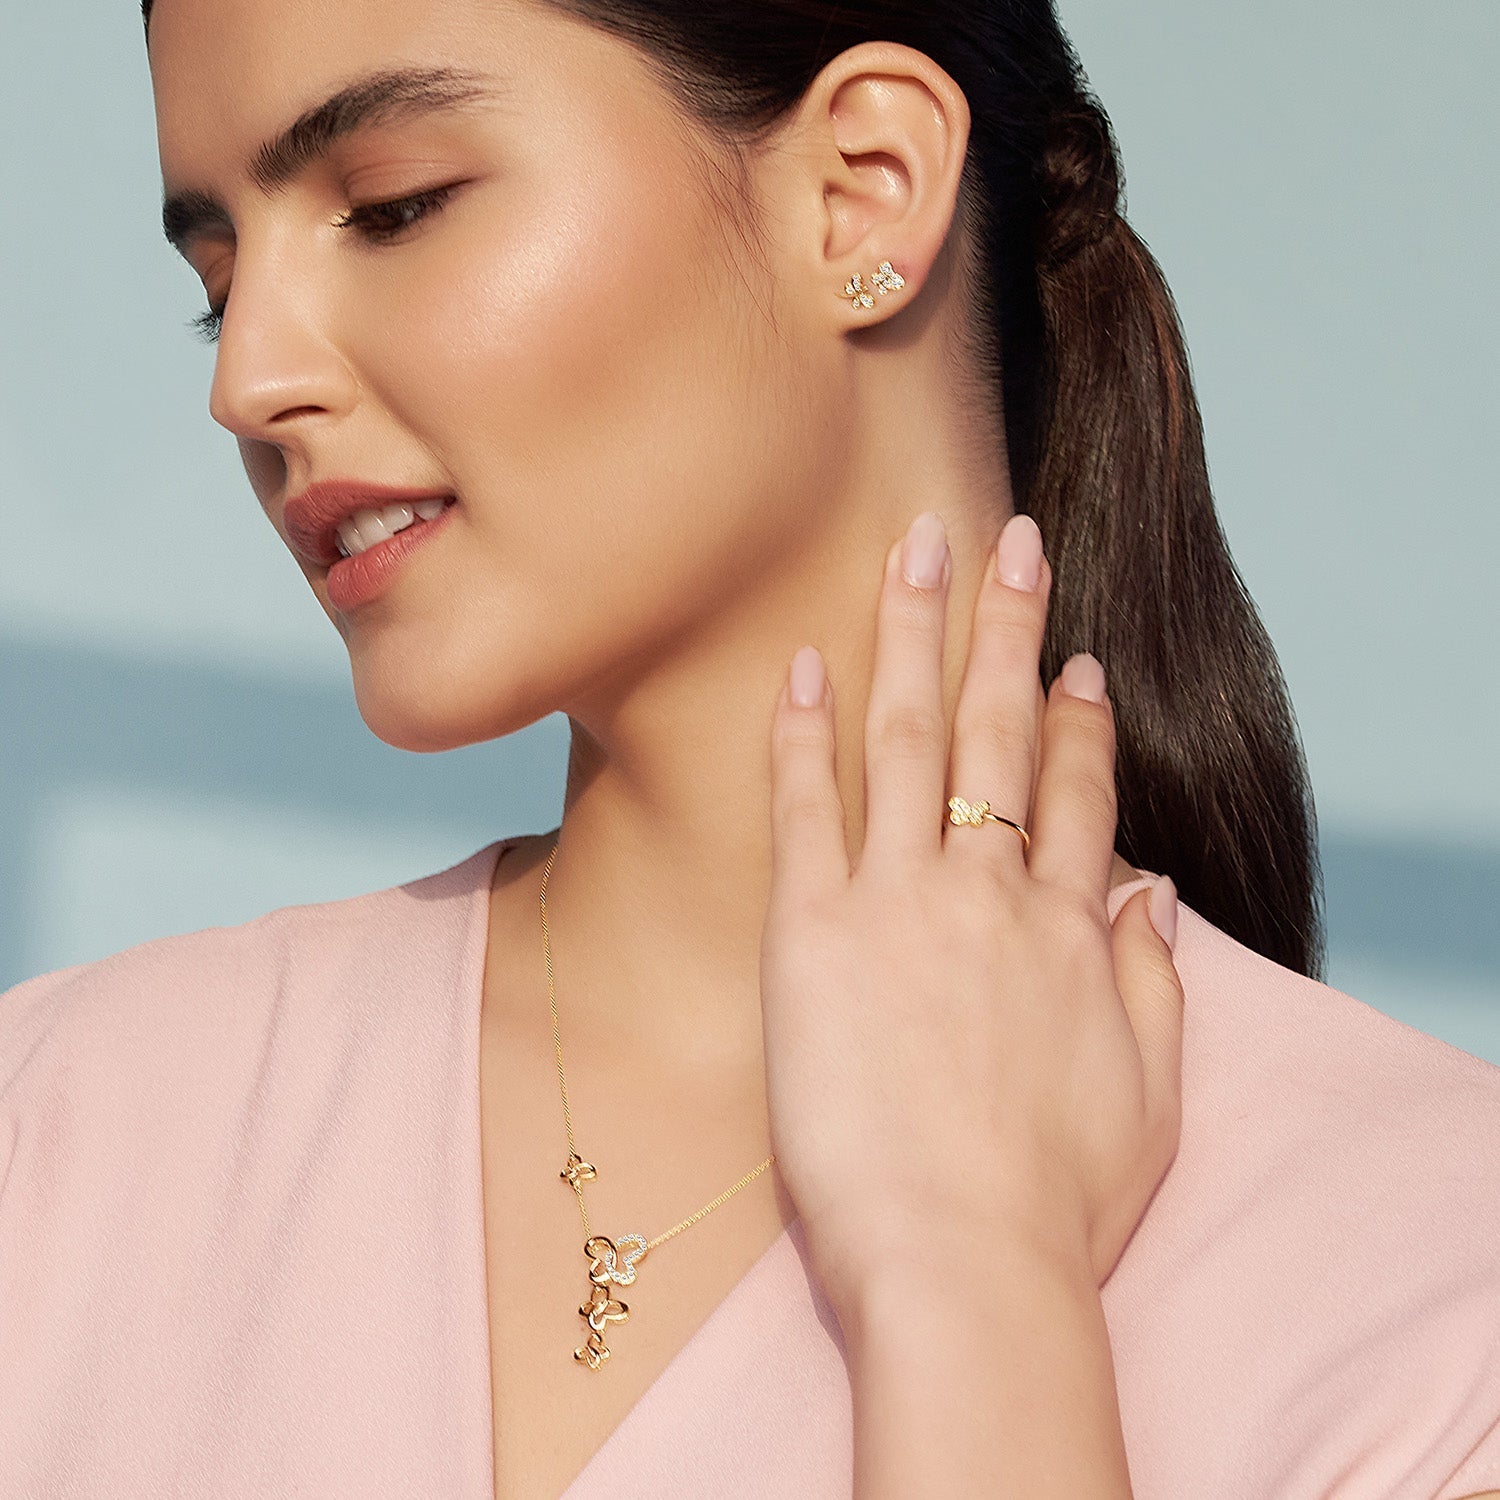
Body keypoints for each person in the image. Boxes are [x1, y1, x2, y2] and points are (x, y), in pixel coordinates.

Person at [1, 0, 1497, 1495]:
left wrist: (976, 1284)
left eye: (394, 208)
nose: (247, 380)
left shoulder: (1435, 1298)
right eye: (218, 286)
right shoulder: (63, 1137)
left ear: (864, 190)